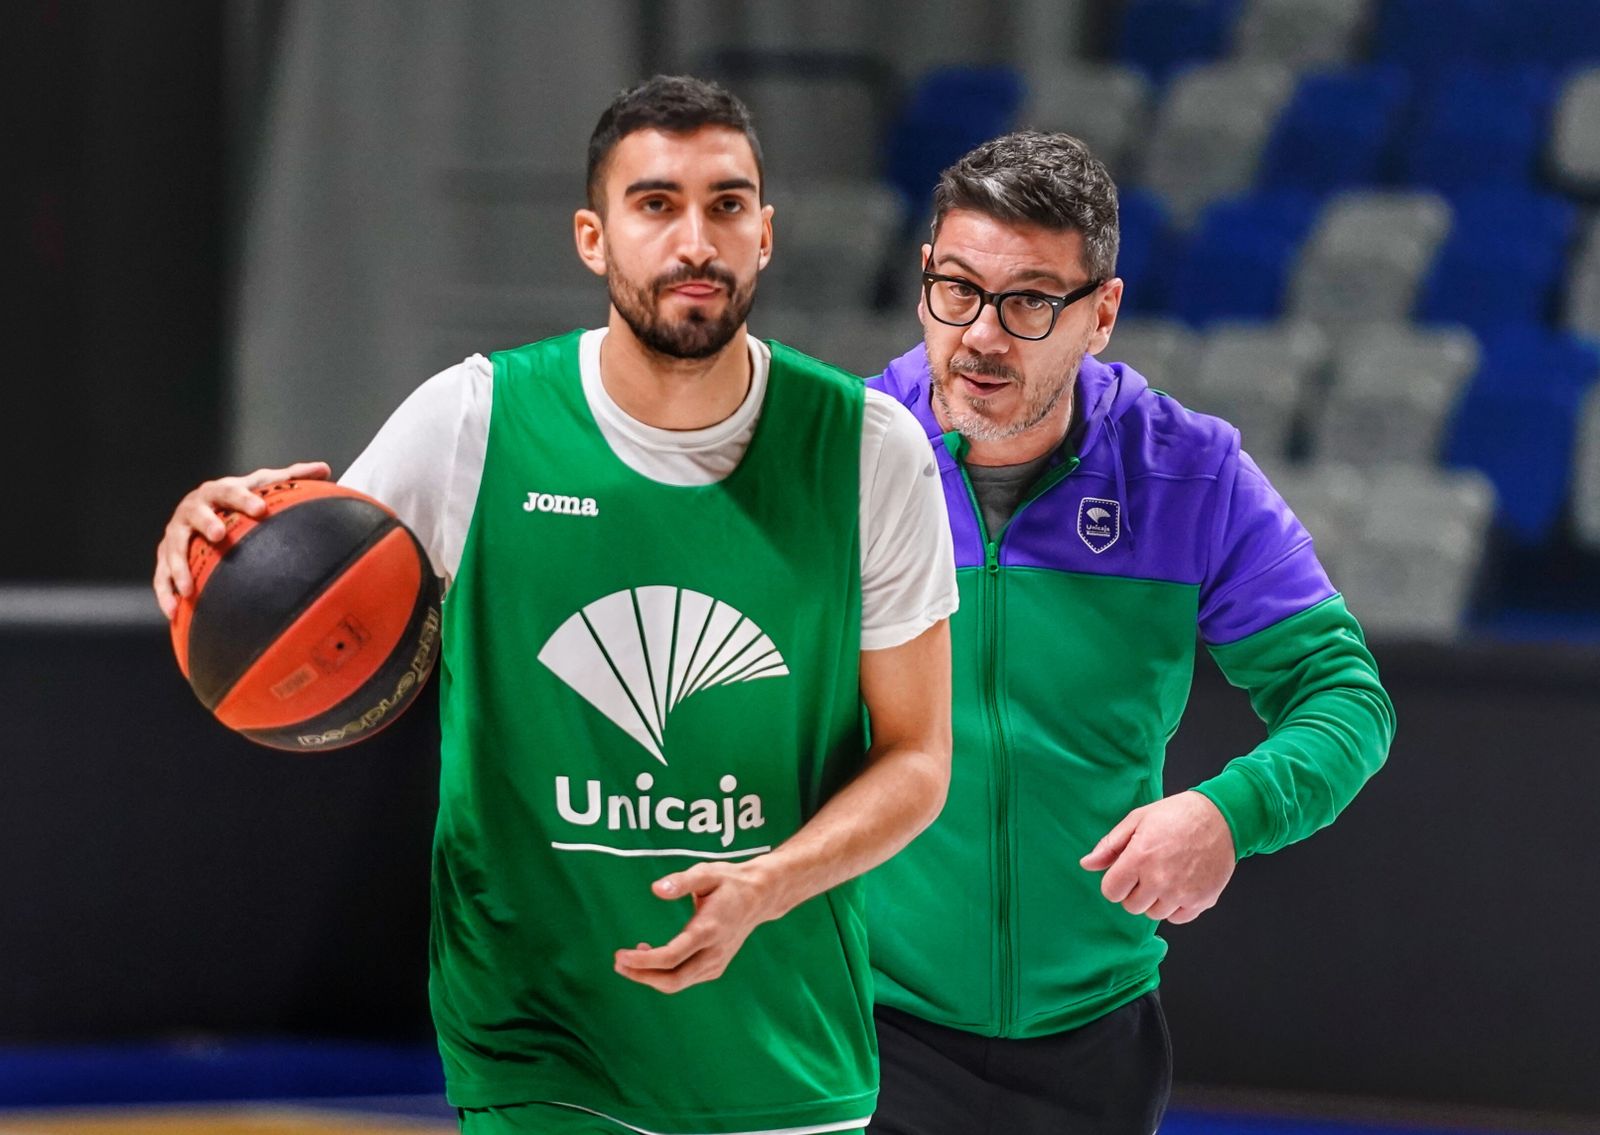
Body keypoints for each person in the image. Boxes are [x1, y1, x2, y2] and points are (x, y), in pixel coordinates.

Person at [153, 75, 957, 1135]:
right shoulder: (472, 421)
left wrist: (769, 883)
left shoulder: (866, 448)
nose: (695, 240)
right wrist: (208, 542)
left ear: (765, 234)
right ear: (593, 236)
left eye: (726, 205)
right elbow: (307, 584)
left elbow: (917, 758)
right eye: (655, 203)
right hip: (534, 1032)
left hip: (780, 1039)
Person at [862, 132, 1397, 1135]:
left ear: (1099, 314)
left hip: (1096, 1042)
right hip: (861, 1025)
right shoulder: (833, 460)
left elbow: (1343, 696)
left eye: (1027, 301)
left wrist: (1228, 812)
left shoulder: (1189, 476)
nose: (979, 334)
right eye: (954, 289)